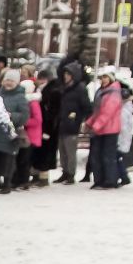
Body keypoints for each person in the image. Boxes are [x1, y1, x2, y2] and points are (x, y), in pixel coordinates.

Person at [86, 69, 127, 190]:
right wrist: (89, 122)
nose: (103, 80)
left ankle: (109, 180)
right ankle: (99, 180)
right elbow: (97, 111)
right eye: (101, 77)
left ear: (111, 79)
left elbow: (107, 112)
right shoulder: (102, 92)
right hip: (100, 129)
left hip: (110, 130)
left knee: (107, 156)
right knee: (97, 155)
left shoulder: (113, 93)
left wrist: (96, 126)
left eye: (105, 77)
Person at [0, 70, 26, 195]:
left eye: (11, 81)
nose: (8, 83)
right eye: (7, 80)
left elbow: (25, 115)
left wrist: (12, 115)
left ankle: (7, 183)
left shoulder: (20, 97)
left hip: (10, 133)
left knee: (8, 160)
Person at [55, 56, 91, 184]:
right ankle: (64, 172)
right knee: (62, 150)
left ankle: (71, 173)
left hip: (72, 124)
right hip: (62, 122)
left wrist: (80, 118)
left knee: (70, 151)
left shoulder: (80, 89)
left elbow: (86, 106)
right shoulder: (64, 88)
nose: (66, 76)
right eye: (65, 73)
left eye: (68, 74)